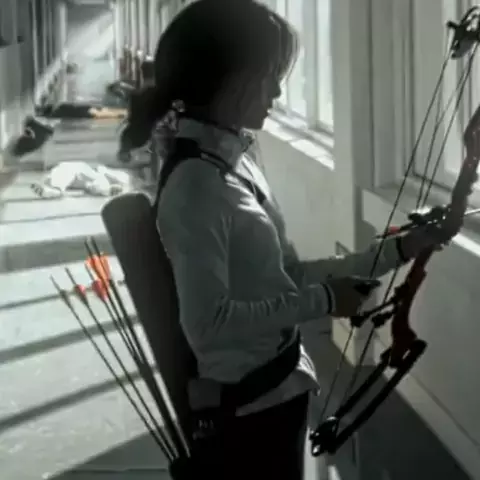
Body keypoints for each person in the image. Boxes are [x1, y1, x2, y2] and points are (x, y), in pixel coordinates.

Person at [118, 1, 461, 478]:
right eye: (268, 76)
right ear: (227, 79)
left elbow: (288, 275)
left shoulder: (233, 163)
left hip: (279, 394)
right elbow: (209, 325)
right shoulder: (196, 187)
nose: (278, 91)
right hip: (249, 420)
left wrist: (399, 250)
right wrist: (325, 301)